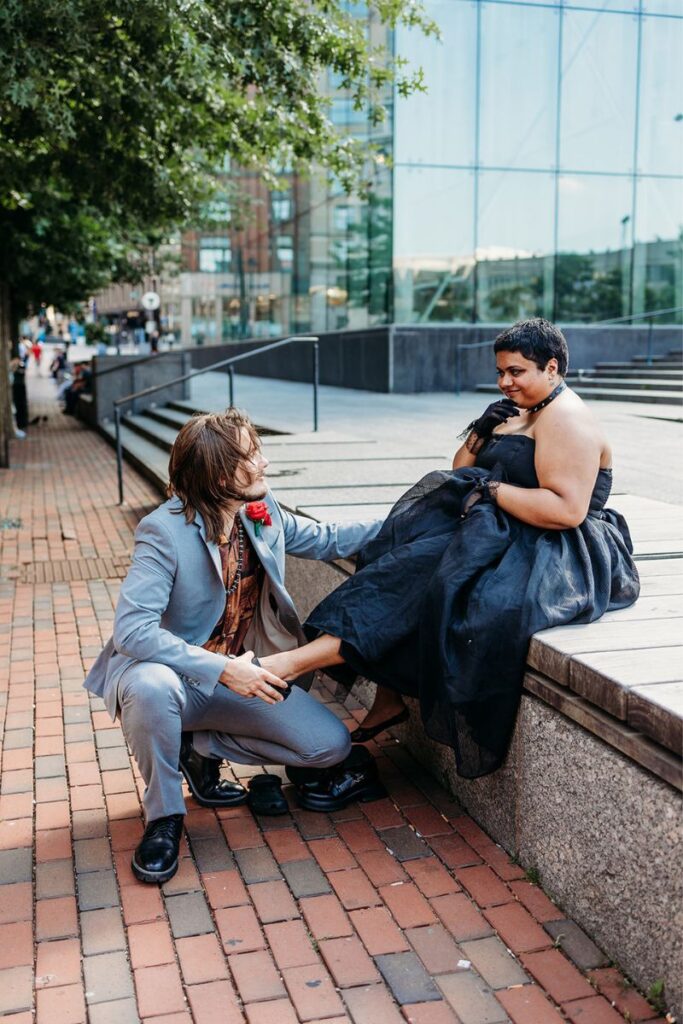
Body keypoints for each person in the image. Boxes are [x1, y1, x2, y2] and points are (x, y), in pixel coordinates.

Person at [261, 318, 640, 779]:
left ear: (552, 367)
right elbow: (461, 467)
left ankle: (290, 665)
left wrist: (492, 490)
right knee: (394, 551)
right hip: (501, 526)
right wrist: (481, 431)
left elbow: (565, 511)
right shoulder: (518, 406)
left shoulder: (567, 420)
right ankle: (385, 695)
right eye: (501, 371)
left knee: (433, 578)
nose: (504, 382)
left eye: (516, 372)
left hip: (555, 545)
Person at [84, 409, 383, 884]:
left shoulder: (260, 511)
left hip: (232, 678)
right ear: (219, 474)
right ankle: (165, 818)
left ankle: (193, 744)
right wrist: (224, 670)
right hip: (169, 678)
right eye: (250, 455)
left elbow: (327, 540)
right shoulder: (164, 531)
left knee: (328, 746)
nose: (263, 462)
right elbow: (133, 631)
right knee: (152, 687)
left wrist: (413, 514)